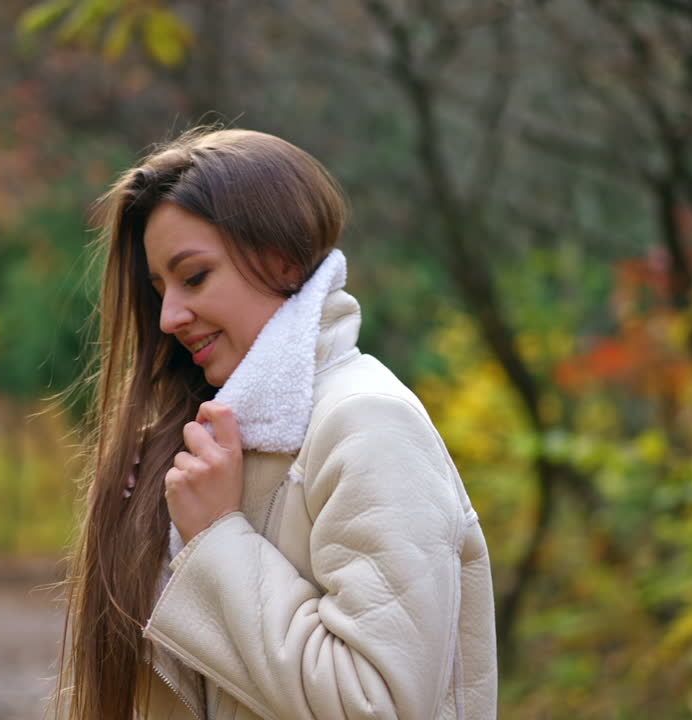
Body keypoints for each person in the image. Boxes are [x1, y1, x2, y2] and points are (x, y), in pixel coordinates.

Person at [58, 127, 497, 719]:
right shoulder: (204, 442)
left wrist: (216, 536)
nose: (167, 317)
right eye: (159, 289)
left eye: (194, 277)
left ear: (282, 259)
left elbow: (378, 706)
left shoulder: (368, 423)